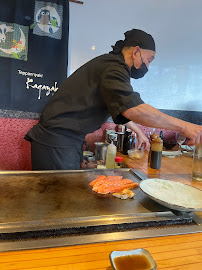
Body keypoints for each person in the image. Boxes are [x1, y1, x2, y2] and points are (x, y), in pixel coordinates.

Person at [25, 29, 202, 170]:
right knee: (59, 206)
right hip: (57, 143)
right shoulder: (114, 68)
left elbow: (117, 107)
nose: (148, 66)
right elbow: (133, 108)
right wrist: (185, 126)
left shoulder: (110, 65)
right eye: (149, 59)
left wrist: (138, 132)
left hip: (61, 142)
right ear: (136, 52)